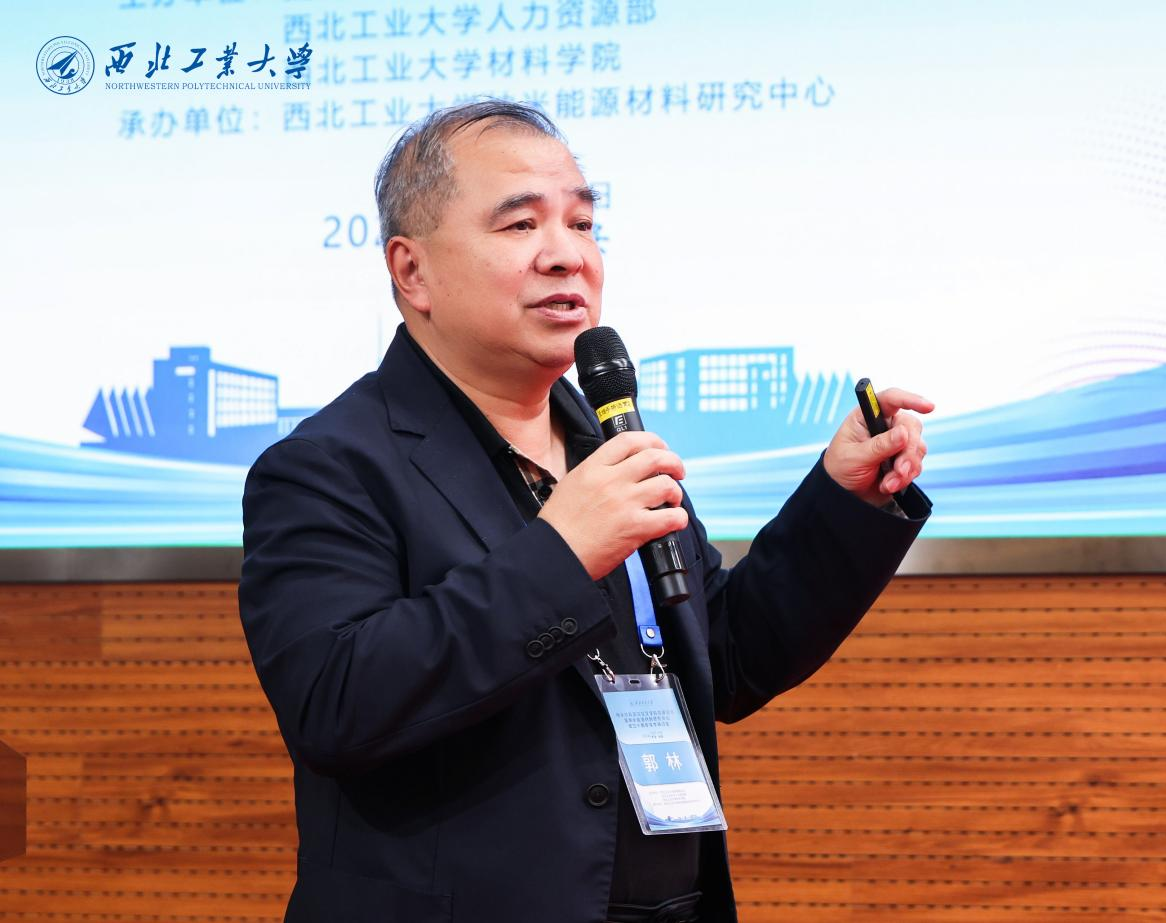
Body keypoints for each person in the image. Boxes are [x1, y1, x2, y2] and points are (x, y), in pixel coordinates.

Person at [238, 100, 933, 923]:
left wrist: (843, 497)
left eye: (581, 222)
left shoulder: (606, 441)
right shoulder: (328, 466)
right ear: (411, 270)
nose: (566, 254)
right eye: (520, 224)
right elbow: (336, 702)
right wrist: (561, 554)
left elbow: (727, 653)